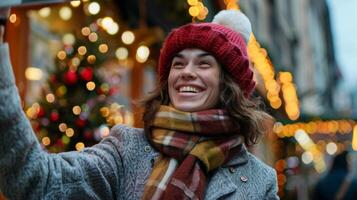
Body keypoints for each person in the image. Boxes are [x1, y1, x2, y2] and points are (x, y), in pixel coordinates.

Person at [0, 7, 279, 200]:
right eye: (177, 64)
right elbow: (38, 181)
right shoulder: (126, 149)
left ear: (227, 84)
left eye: (204, 64)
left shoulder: (259, 181)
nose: (186, 72)